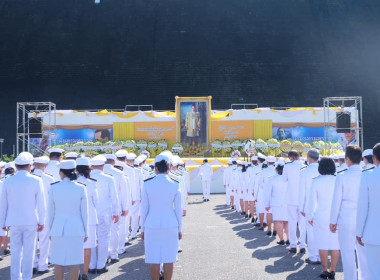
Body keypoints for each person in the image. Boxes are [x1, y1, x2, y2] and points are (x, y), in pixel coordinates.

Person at [0, 152, 46, 280]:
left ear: (15, 165)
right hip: (31, 220)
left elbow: (3, 204)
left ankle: (15, 277)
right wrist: (42, 221)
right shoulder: (37, 180)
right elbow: (41, 204)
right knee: (29, 252)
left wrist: (2, 223)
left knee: (15, 252)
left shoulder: (8, 181)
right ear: (31, 165)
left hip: (13, 221)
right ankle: (27, 277)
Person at [140, 153, 182, 280]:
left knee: (154, 259)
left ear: (155, 168)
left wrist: (142, 229)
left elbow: (144, 209)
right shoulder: (175, 183)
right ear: (170, 167)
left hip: (151, 225)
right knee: (169, 258)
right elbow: (178, 210)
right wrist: (180, 229)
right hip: (170, 224)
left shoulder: (147, 184)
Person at [330, 145, 368, 280]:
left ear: (348, 159)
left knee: (347, 255)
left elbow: (336, 202)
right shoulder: (367, 175)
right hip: (364, 220)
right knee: (364, 255)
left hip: (346, 219)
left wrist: (332, 221)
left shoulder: (342, 176)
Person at [48, 160, 88, 280]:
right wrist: (86, 231)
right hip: (76, 229)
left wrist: (50, 230)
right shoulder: (81, 188)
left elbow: (50, 213)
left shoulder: (54, 188)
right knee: (74, 262)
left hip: (57, 229)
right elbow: (85, 213)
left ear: (62, 173)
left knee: (58, 262)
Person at [307, 158, 340, 279]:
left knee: (322, 244)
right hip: (336, 216)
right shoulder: (338, 180)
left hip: (320, 216)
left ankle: (324, 269)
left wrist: (309, 216)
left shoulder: (316, 181)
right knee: (336, 244)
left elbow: (311, 202)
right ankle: (333, 270)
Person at [89, 155, 119, 274]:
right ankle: (101, 265)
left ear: (91, 166)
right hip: (105, 214)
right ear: (103, 166)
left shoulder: (87, 177)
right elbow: (114, 197)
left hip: (91, 214)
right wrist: (116, 213)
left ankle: (91, 265)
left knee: (91, 240)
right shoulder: (108, 178)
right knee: (104, 239)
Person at [356, 143, 380, 279]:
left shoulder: (367, 176)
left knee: (373, 273)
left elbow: (362, 207)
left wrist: (359, 231)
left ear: (375, 157)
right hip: (373, 234)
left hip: (373, 233)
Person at [76, 158, 99, 280]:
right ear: (88, 169)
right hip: (90, 217)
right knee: (88, 246)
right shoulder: (92, 182)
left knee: (75, 247)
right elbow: (96, 201)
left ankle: (77, 273)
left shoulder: (72, 181)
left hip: (75, 217)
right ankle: (84, 274)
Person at [104, 154, 129, 263]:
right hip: (116, 207)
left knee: (102, 235)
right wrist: (125, 207)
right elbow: (124, 192)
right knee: (115, 231)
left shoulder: (95, 172)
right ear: (114, 162)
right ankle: (114, 254)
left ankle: (104, 256)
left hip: (101, 209)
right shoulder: (119, 173)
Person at [32, 156, 55, 274]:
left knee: (31, 242)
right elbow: (52, 198)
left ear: (34, 165)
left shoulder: (29, 177)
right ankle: (42, 266)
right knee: (45, 241)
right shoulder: (48, 178)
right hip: (45, 214)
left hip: (30, 214)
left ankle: (33, 264)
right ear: (45, 167)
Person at [298, 149, 321, 264]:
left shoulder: (305, 172)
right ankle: (321, 256)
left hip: (308, 205)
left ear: (308, 158)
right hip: (322, 205)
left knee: (311, 231)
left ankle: (313, 256)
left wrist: (301, 207)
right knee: (321, 231)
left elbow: (302, 191)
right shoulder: (323, 169)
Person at [283, 150, 305, 253]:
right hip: (302, 199)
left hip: (291, 198)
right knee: (302, 223)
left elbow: (284, 179)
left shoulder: (287, 166)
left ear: (291, 157)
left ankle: (293, 245)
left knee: (292, 222)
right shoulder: (304, 166)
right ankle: (302, 245)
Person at [265, 160, 289, 245]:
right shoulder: (289, 179)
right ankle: (288, 238)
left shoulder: (272, 179)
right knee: (287, 221)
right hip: (288, 202)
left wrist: (266, 204)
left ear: (276, 169)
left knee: (278, 221)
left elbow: (267, 193)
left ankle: (281, 239)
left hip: (276, 203)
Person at [256, 156, 276, 234]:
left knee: (262, 210)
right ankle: (274, 229)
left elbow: (260, 183)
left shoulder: (263, 171)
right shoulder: (276, 171)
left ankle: (265, 227)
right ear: (274, 163)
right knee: (273, 212)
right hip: (274, 193)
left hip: (264, 193)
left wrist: (265, 187)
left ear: (267, 163)